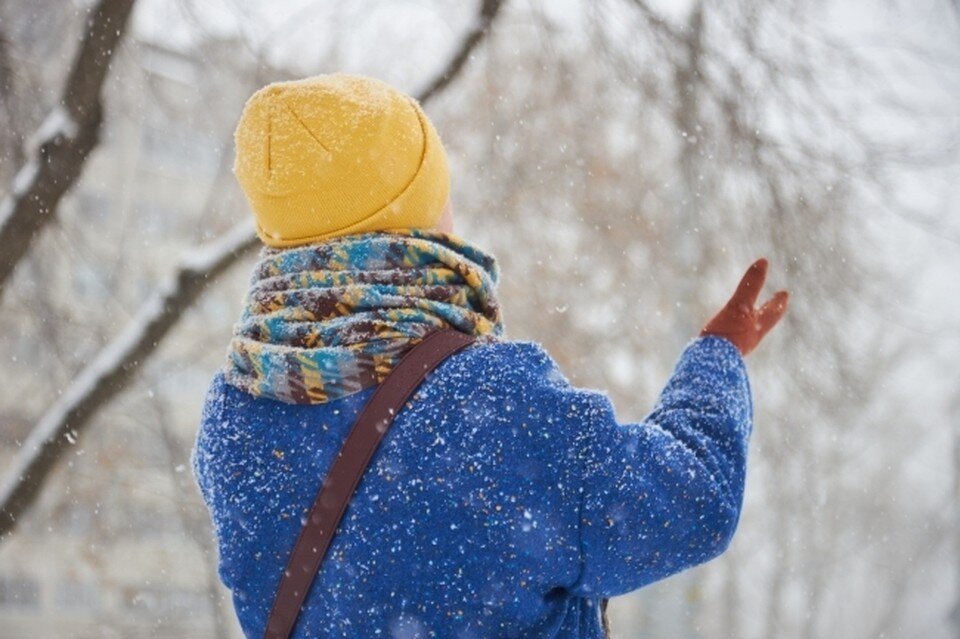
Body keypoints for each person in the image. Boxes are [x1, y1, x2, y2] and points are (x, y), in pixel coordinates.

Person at [191, 72, 789, 639]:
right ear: (413, 213)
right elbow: (687, 502)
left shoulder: (233, 420)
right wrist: (718, 357)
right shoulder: (493, 404)